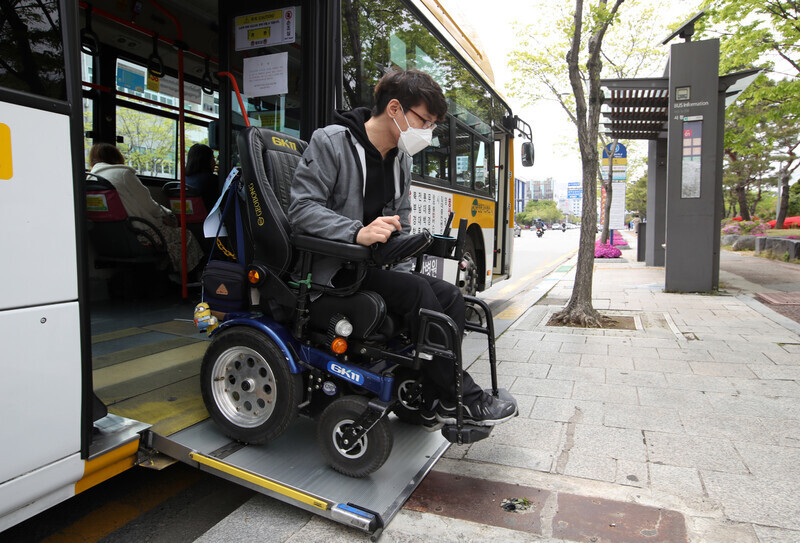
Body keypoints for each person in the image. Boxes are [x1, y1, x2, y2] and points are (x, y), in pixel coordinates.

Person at [288, 68, 517, 427]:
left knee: (450, 296)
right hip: (333, 274)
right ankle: (460, 396)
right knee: (418, 293)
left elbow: (402, 221)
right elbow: (301, 210)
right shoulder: (332, 142)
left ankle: (432, 395)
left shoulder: (401, 159)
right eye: (424, 120)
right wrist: (356, 232)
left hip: (372, 269)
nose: (428, 132)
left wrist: (407, 245)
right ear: (394, 108)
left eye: (432, 125)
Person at [88, 143, 203, 278]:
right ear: (117, 157)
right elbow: (149, 205)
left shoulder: (91, 178)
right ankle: (187, 279)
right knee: (185, 235)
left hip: (106, 237)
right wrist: (168, 215)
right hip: (139, 233)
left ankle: (167, 272)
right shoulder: (124, 174)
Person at [185, 143, 219, 212]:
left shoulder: (184, 180)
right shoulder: (211, 179)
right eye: (213, 158)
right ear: (206, 161)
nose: (215, 162)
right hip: (206, 219)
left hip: (185, 217)